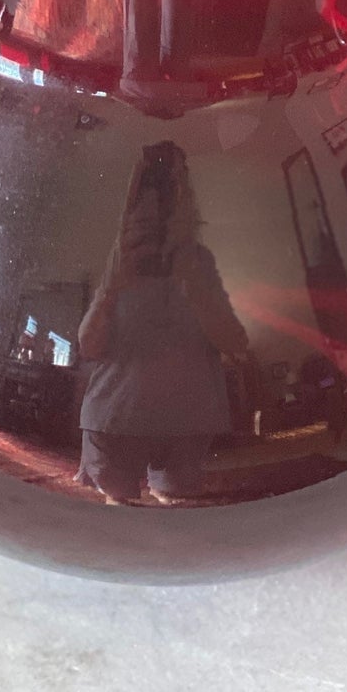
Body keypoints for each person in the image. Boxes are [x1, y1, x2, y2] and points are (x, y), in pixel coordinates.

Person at [77, 142, 247, 503]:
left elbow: (235, 342)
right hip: (115, 416)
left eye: (166, 225)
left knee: (176, 506)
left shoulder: (198, 262)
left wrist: (195, 286)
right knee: (118, 505)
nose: (155, 240)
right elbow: (88, 347)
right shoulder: (119, 260)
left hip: (187, 418)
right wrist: (111, 287)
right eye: (145, 226)